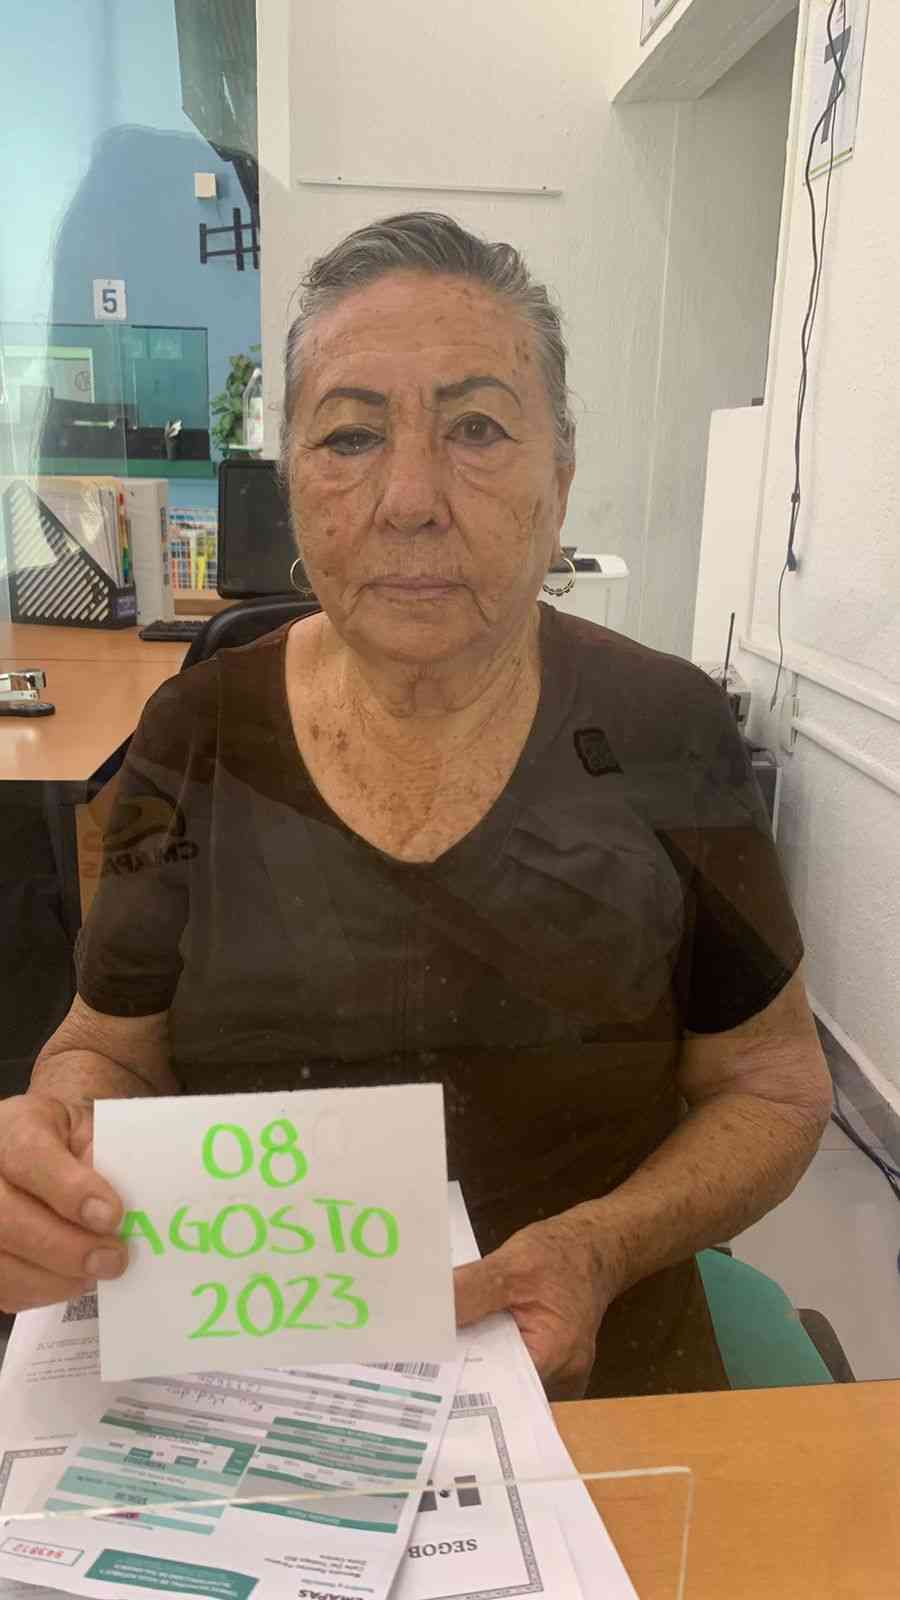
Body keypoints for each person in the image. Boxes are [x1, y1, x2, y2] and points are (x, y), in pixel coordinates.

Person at [0, 213, 832, 1399]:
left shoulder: (666, 732)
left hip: (599, 1379)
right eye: (349, 436)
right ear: (294, 485)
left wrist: (603, 1248)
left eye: (477, 428)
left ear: (560, 477)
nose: (409, 498)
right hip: (258, 1377)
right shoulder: (198, 736)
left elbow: (775, 1084)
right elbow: (106, 1050)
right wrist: (57, 1144)